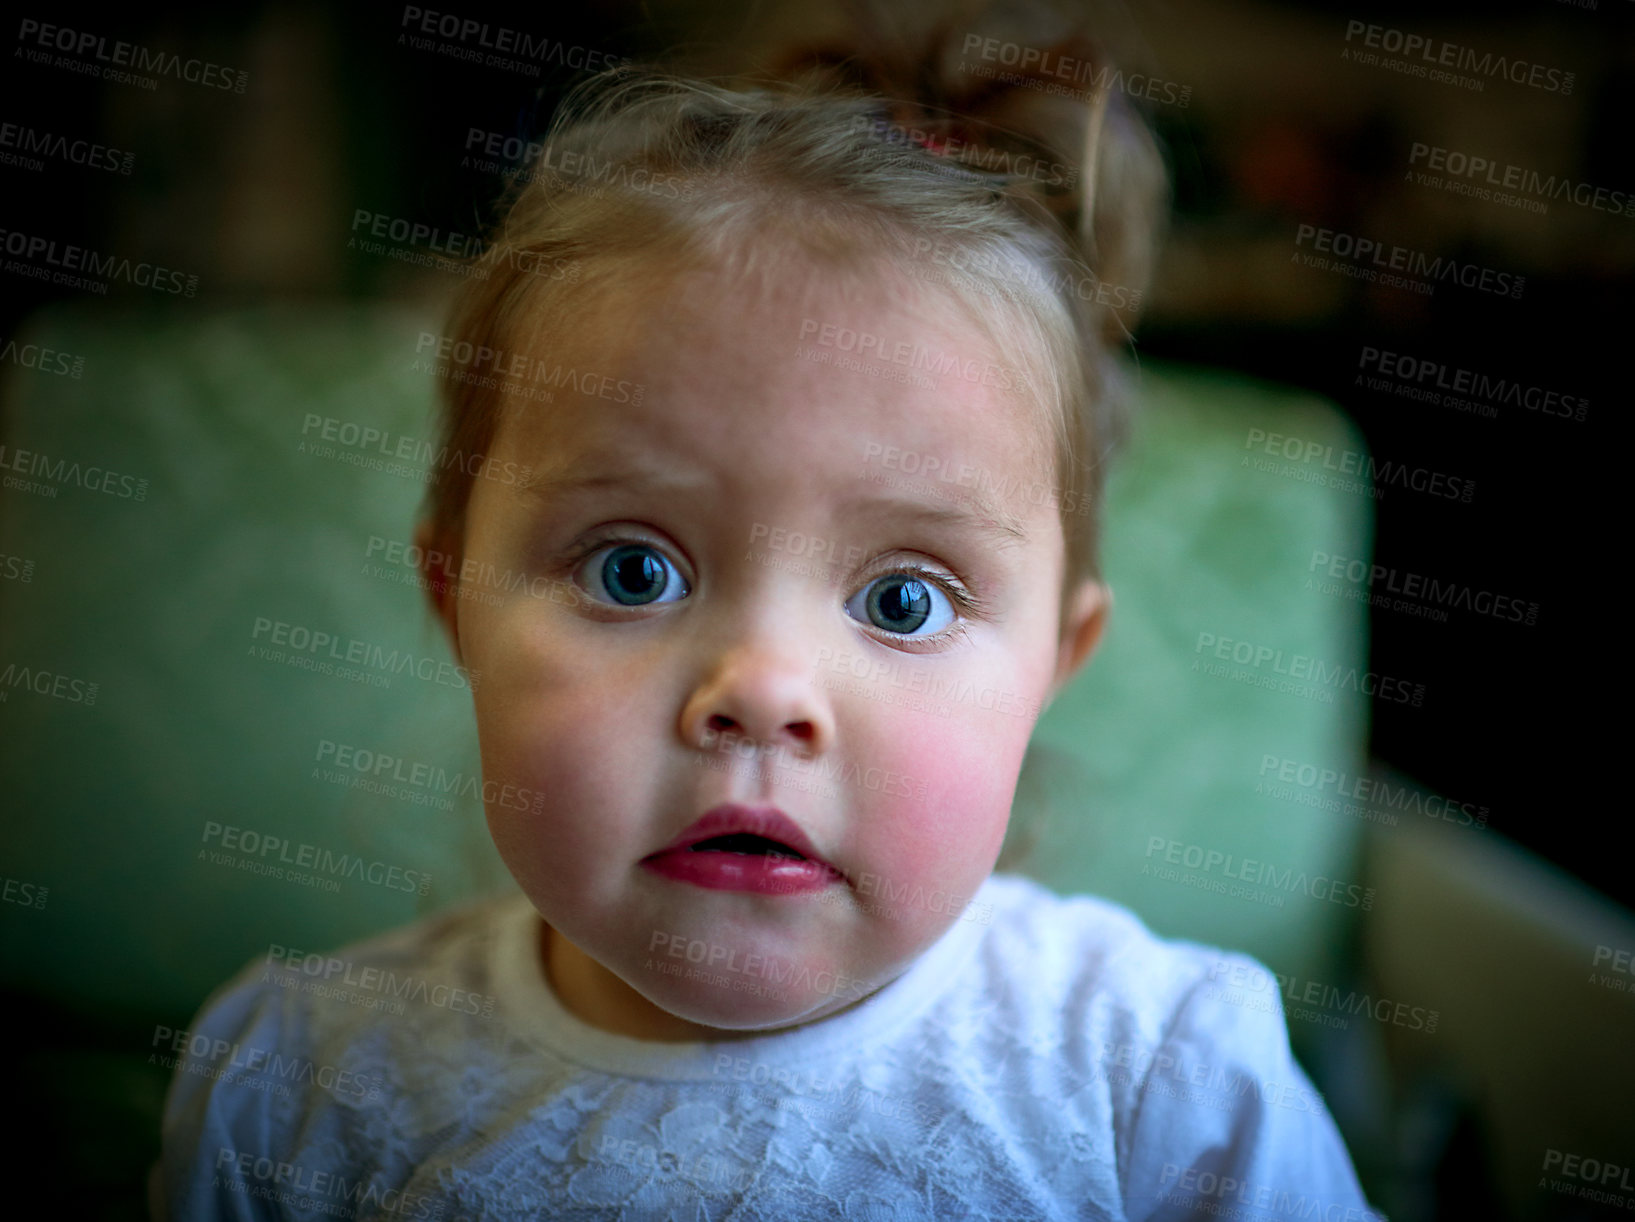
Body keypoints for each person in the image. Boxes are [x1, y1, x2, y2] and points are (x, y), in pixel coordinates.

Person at [159, 7, 1382, 1217]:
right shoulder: (299, 1086)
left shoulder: (1163, 1082)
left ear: (1058, 661)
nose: (761, 687)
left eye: (904, 601)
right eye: (633, 570)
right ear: (456, 602)